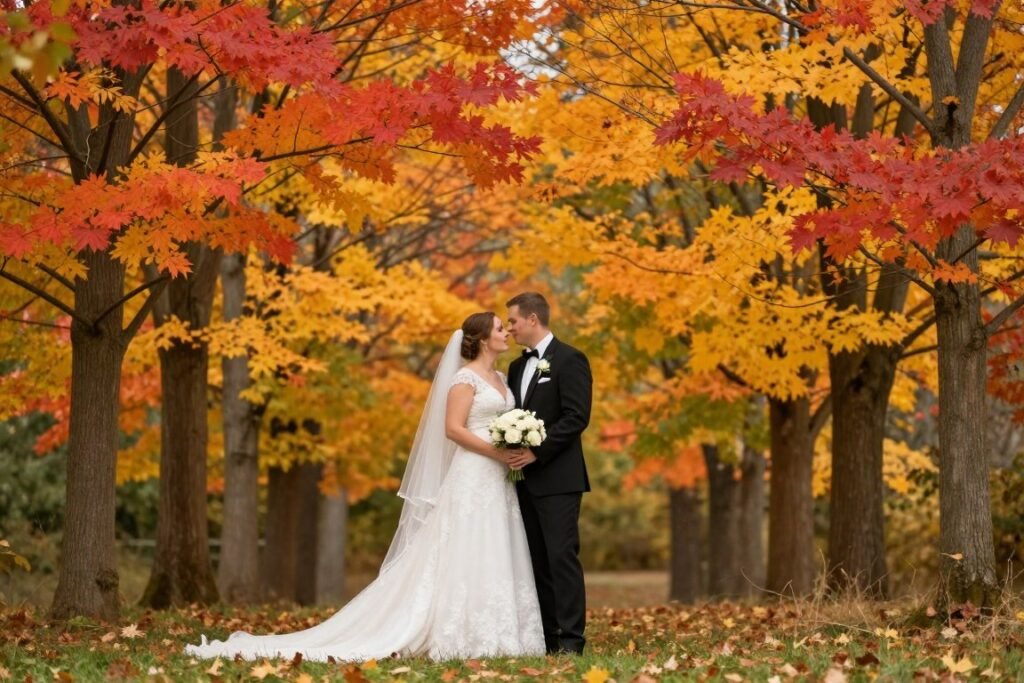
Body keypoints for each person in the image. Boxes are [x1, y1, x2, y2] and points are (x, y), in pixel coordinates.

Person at [185, 312, 544, 661]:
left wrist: (513, 445)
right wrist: (498, 452)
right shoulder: (465, 379)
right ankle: (459, 631)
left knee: (495, 541)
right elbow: (454, 429)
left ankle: (500, 630)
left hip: (498, 477)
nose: (507, 332)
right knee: (467, 542)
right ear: (483, 338)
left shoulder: (499, 376)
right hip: (474, 471)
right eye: (500, 327)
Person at [505, 292, 592, 655]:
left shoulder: (570, 359)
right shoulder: (514, 367)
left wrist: (535, 452)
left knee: (561, 558)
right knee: (536, 562)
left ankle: (572, 641)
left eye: (512, 321)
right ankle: (548, 638)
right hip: (521, 482)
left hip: (558, 479)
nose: (509, 328)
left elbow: (576, 417)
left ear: (532, 319)